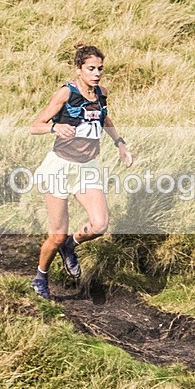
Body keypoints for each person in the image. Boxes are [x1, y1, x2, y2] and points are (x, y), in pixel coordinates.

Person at [29, 43, 133, 300]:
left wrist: (120, 143)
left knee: (99, 225)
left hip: (88, 168)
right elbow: (35, 125)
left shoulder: (101, 93)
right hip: (60, 168)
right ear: (78, 70)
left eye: (100, 69)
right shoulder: (66, 93)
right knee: (56, 235)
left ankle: (71, 245)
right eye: (90, 69)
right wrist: (54, 128)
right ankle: (40, 276)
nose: (96, 73)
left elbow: (104, 119)